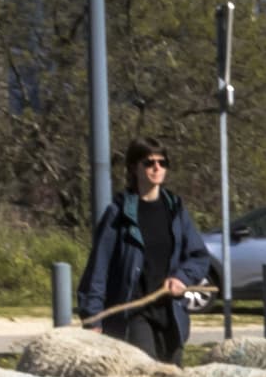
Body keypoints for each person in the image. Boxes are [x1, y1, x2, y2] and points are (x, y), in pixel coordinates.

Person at [78, 142, 210, 358]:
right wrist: (93, 317)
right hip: (133, 313)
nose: (157, 168)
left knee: (173, 375)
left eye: (162, 162)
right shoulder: (118, 213)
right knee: (146, 373)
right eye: (149, 163)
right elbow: (98, 268)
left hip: (170, 313)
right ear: (134, 168)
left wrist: (182, 278)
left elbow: (198, 256)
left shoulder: (175, 210)